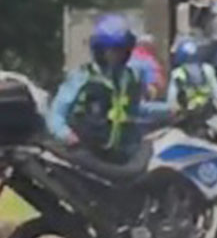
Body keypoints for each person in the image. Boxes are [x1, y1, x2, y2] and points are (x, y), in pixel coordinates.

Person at [47, 14, 171, 162]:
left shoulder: (130, 78)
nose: (117, 55)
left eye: (121, 49)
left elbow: (137, 110)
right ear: (100, 50)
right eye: (112, 50)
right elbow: (56, 114)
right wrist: (66, 135)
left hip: (123, 154)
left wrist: (168, 110)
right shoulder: (83, 77)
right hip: (88, 152)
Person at [167, 35, 217, 115]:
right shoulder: (207, 68)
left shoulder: (177, 73)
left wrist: (173, 109)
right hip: (206, 110)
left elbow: (171, 100)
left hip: (188, 112)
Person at [128, 33, 166, 100]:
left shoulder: (128, 58)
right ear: (149, 46)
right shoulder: (150, 62)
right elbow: (153, 88)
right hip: (140, 103)